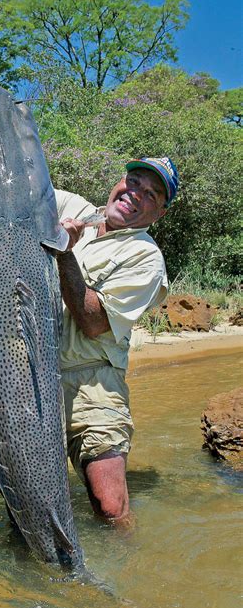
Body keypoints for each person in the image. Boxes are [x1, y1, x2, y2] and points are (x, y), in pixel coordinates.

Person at [56, 157, 179, 526]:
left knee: (110, 508)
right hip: (33, 377)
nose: (135, 194)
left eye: (151, 194)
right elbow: (24, 192)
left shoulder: (146, 258)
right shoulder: (72, 208)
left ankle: (125, 574)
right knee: (31, 504)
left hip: (93, 381)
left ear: (158, 213)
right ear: (119, 182)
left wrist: (63, 252)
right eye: (134, 181)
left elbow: (94, 322)